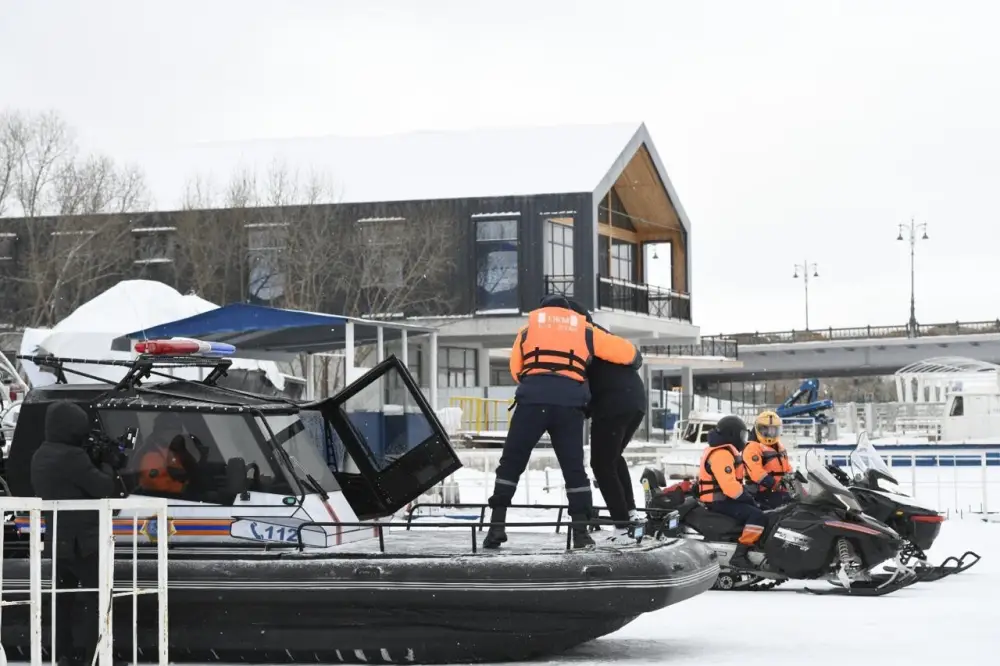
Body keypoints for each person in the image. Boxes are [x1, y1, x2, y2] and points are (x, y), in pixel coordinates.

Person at [484, 295, 641, 550]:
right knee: (573, 469)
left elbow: (516, 370)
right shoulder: (584, 330)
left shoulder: (526, 332)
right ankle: (581, 532)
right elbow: (627, 354)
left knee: (511, 463)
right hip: (568, 407)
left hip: (532, 404)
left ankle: (496, 528)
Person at [30, 400, 128, 666]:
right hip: (83, 542)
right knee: (97, 598)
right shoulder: (71, 456)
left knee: (63, 602)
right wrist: (108, 463)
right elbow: (103, 487)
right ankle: (96, 656)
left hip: (58, 541)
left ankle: (65, 654)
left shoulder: (42, 453)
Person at [565, 303, 646, 542]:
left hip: (612, 403)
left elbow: (580, 377)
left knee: (601, 465)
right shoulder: (600, 335)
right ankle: (629, 513)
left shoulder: (577, 338)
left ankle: (621, 524)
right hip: (635, 400)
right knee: (612, 458)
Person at [696, 414, 766, 570]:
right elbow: (729, 486)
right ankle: (740, 554)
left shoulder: (725, 451)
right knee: (757, 515)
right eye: (742, 435)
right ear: (732, 435)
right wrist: (747, 498)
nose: (744, 439)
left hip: (723, 498)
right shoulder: (721, 454)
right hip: (718, 501)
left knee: (761, 507)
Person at [742, 410, 794, 509]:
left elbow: (787, 467)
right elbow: (756, 472)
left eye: (773, 430)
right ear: (758, 429)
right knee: (789, 506)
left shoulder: (779, 447)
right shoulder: (752, 447)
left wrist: (793, 479)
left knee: (797, 503)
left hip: (778, 491)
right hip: (760, 493)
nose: (770, 434)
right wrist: (775, 484)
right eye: (765, 430)